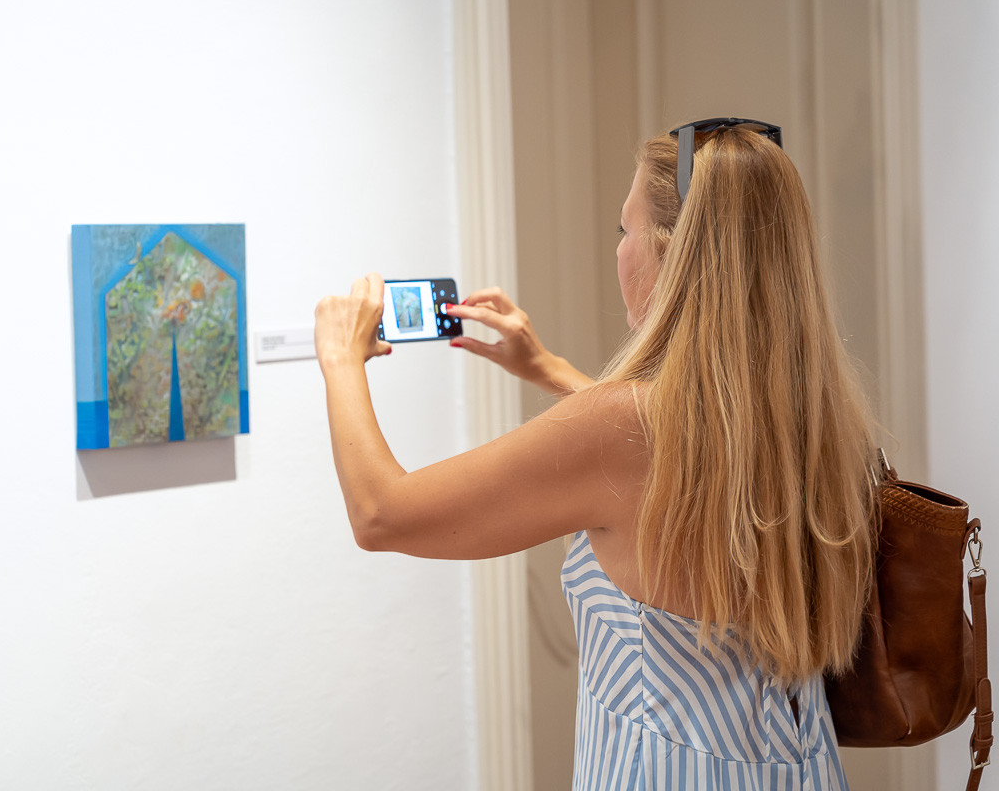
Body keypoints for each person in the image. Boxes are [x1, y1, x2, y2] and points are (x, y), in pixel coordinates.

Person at [313, 119, 874, 789]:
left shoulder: (621, 427)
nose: (619, 251)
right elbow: (673, 449)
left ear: (670, 254)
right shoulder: (813, 419)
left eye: (623, 229)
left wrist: (340, 360)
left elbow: (381, 513)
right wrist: (547, 367)